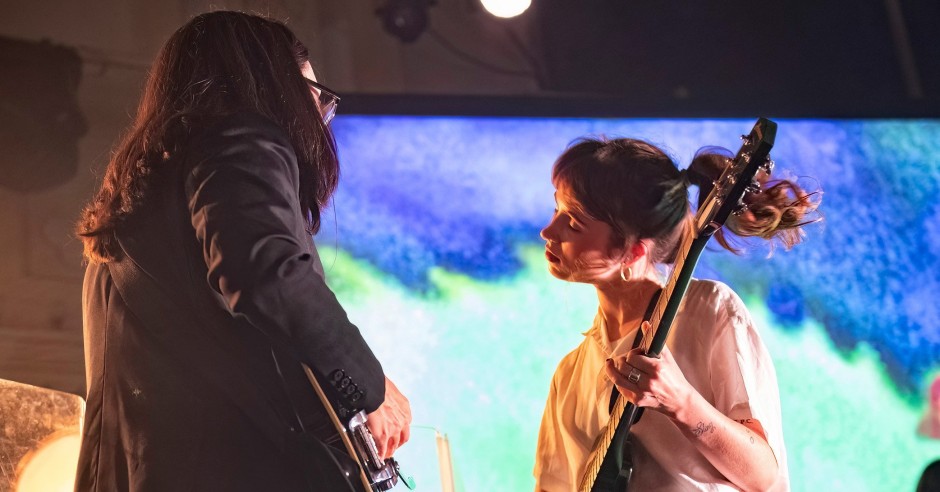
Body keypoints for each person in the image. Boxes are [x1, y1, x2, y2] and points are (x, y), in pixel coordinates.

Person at [74, 11, 410, 492]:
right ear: (277, 87)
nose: (320, 117)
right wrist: (370, 390)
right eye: (314, 96)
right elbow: (267, 275)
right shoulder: (240, 137)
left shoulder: (132, 197)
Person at [533, 137, 818, 491]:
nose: (548, 231)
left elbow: (761, 475)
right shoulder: (570, 373)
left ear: (633, 253)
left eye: (573, 222)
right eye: (556, 209)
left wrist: (680, 401)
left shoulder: (709, 309)